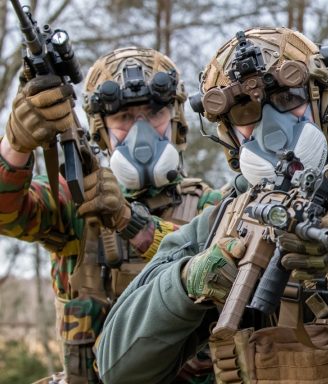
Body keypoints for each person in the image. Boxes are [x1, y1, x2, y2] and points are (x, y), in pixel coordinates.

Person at [95, 28, 328, 384]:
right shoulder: (213, 228)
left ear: (322, 104)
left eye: (287, 99)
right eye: (245, 111)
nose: (271, 126)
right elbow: (117, 367)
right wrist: (186, 284)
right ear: (229, 134)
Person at [0, 47, 221, 383]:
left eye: (153, 113)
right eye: (124, 118)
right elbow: (7, 212)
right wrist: (15, 144)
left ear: (175, 119)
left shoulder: (212, 207)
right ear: (101, 129)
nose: (141, 132)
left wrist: (128, 220)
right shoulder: (75, 202)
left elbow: (212, 266)